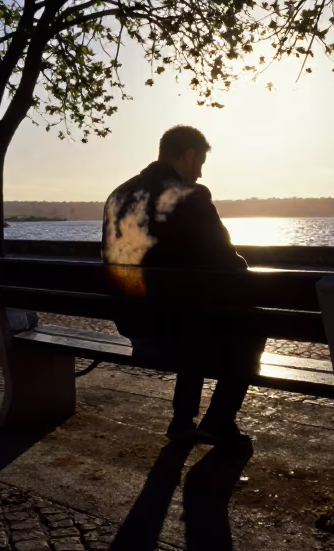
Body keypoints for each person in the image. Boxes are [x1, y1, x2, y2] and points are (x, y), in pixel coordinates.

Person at [102, 125, 264, 445]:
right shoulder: (189, 196)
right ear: (189, 155)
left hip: (132, 321)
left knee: (193, 313)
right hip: (173, 326)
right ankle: (218, 420)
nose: (200, 174)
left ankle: (183, 419)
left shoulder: (118, 194)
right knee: (252, 328)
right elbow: (228, 261)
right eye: (200, 164)